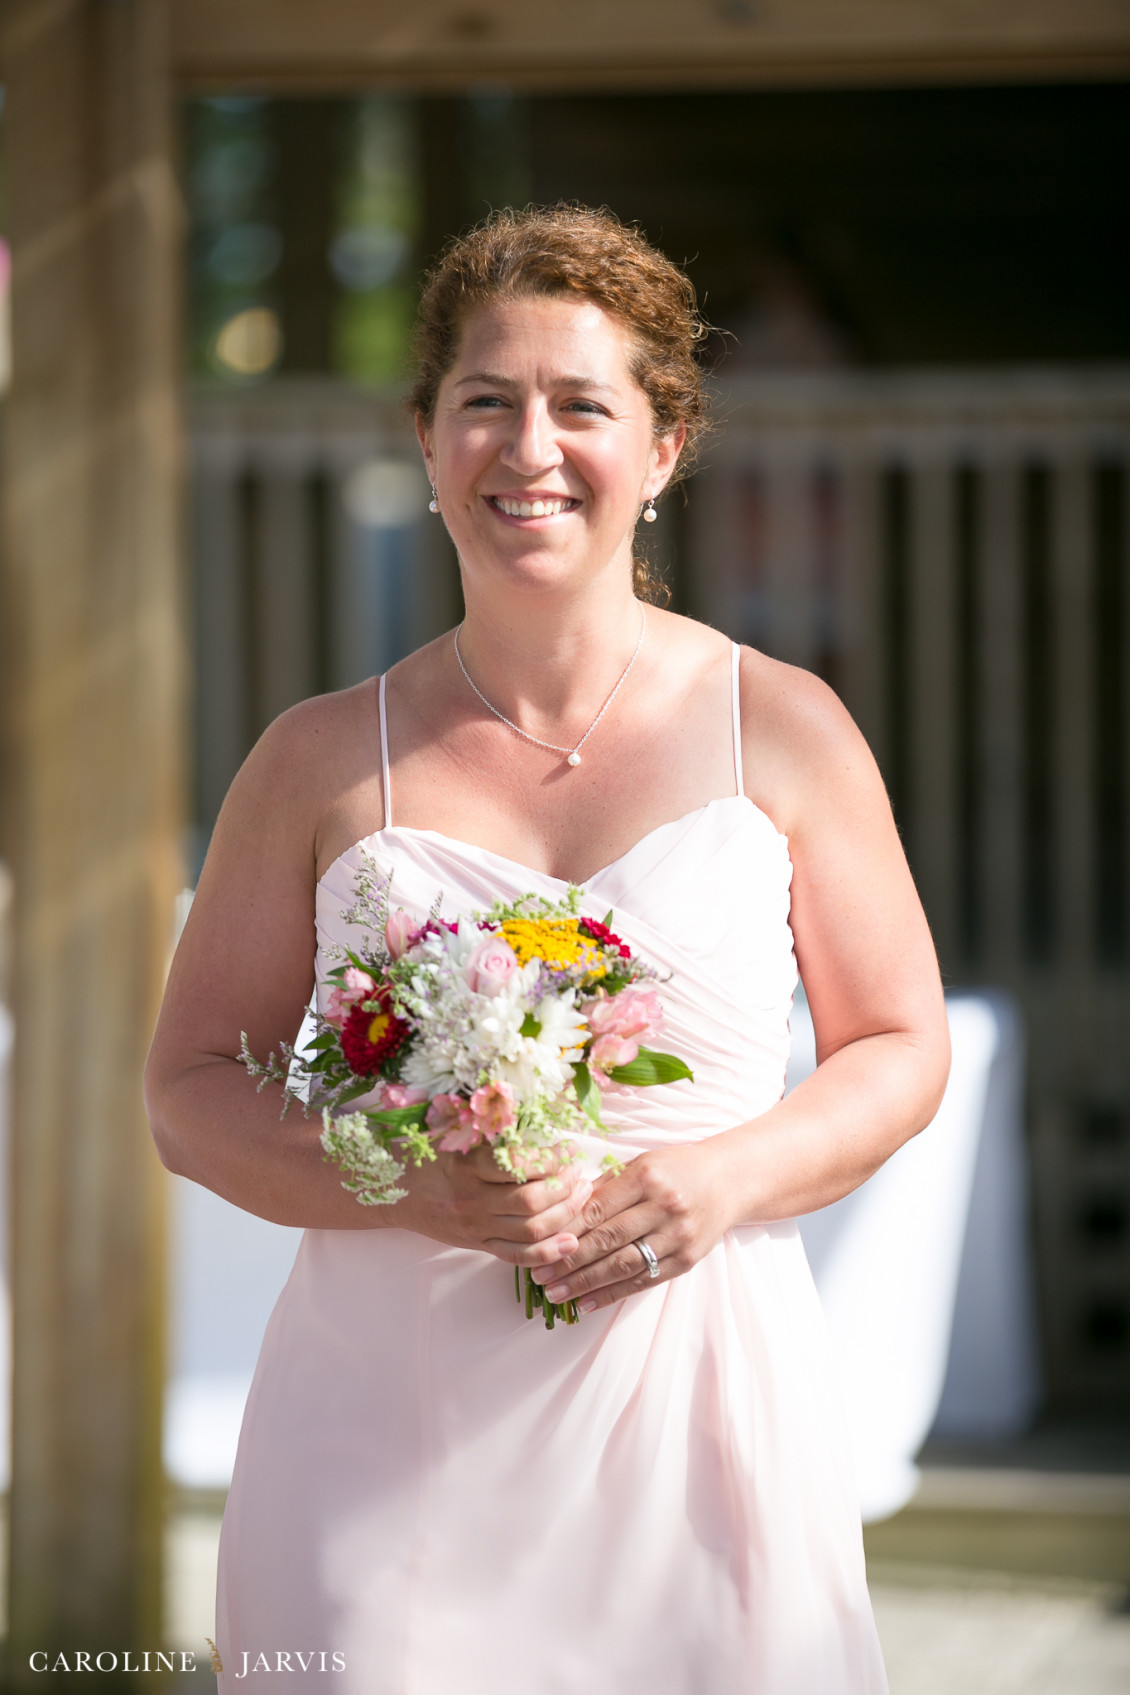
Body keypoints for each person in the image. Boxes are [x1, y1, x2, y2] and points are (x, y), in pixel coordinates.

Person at [145, 204, 949, 1693]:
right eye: (484, 402)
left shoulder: (780, 726)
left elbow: (899, 1046)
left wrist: (723, 1177)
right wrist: (407, 1190)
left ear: (662, 450)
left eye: (582, 404)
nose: (529, 447)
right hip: (385, 1414)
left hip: (692, 1406)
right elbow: (191, 1087)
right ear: (428, 439)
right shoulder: (319, 761)